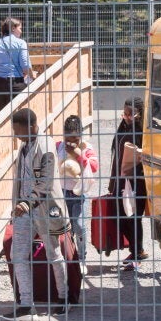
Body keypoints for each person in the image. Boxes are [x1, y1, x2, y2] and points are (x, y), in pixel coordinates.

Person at [2, 108, 72, 321]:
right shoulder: (25, 145)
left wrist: (28, 201)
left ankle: (64, 298)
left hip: (44, 209)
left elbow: (46, 183)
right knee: (18, 255)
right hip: (24, 211)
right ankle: (26, 305)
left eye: (18, 130)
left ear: (31, 126)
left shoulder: (46, 146)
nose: (16, 135)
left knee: (54, 253)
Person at [108, 96, 149, 269]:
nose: (126, 117)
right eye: (124, 114)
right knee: (118, 215)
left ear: (140, 114)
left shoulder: (142, 132)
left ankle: (137, 254)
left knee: (133, 217)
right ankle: (137, 249)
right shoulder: (123, 128)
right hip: (120, 181)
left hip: (136, 182)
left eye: (130, 114)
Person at [56, 115, 99, 275]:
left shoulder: (86, 147)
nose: (70, 143)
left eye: (74, 139)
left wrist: (76, 154)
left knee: (79, 227)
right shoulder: (58, 147)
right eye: (68, 138)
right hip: (60, 194)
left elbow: (94, 167)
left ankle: (81, 259)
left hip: (79, 194)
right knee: (62, 228)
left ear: (80, 135)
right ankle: (66, 259)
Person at [0, 17, 36, 113]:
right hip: (16, 84)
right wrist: (32, 78)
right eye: (20, 28)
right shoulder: (21, 43)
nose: (21, 32)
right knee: (18, 115)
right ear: (13, 28)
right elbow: (26, 66)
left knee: (1, 118)